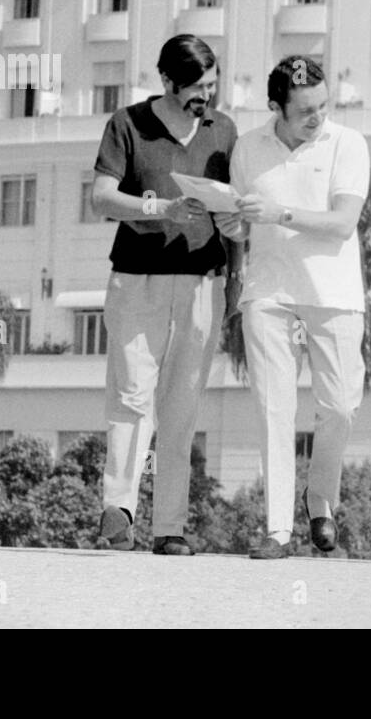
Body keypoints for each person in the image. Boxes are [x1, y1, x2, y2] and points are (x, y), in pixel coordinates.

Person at [215, 56, 370, 560]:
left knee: (341, 407)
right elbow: (241, 222)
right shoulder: (247, 149)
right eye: (305, 109)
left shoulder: (348, 144)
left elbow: (342, 223)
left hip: (335, 293)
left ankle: (319, 499)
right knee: (272, 409)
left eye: (323, 106)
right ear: (276, 106)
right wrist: (234, 228)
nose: (317, 117)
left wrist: (278, 212)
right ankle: (277, 529)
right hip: (269, 292)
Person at [91, 34, 238, 556]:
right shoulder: (127, 123)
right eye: (197, 86)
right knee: (131, 397)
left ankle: (168, 528)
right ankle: (118, 514)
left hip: (203, 283)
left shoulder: (224, 131)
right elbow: (101, 198)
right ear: (168, 82)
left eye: (213, 83)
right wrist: (162, 210)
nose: (207, 94)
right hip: (137, 279)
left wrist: (236, 239)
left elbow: (231, 213)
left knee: (182, 407)